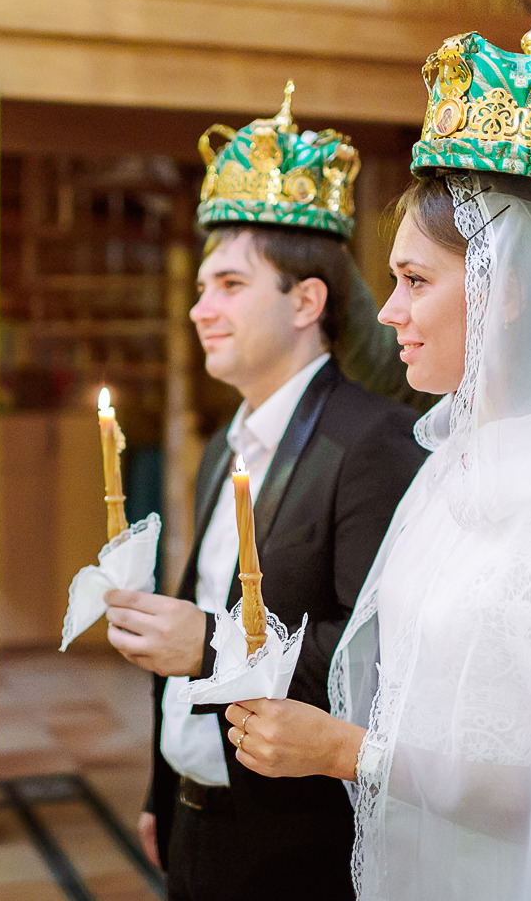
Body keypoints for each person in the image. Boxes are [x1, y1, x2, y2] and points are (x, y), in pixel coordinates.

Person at [218, 8, 531, 900]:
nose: (387, 313)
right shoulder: (455, 459)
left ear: (511, 290)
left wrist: (347, 752)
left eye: (415, 281)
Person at [101, 87, 425, 901]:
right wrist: (161, 788)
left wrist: (208, 643)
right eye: (204, 286)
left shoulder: (370, 441)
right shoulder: (224, 443)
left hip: (294, 836)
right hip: (195, 810)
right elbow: (200, 604)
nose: (198, 308)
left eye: (230, 286)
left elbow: (378, 658)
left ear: (306, 301)